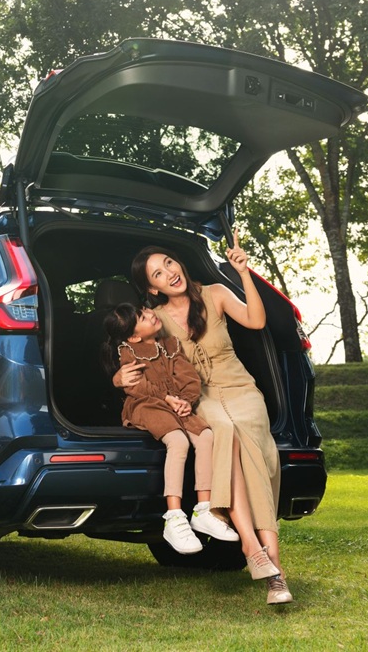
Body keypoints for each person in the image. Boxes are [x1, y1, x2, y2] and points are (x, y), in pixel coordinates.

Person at [114, 234, 294, 605]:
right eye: (158, 274)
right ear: (153, 288)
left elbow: (256, 320)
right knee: (225, 433)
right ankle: (262, 559)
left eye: (169, 263)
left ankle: (266, 560)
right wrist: (119, 378)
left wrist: (243, 273)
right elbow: (132, 351)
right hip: (198, 396)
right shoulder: (157, 320)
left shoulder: (215, 294)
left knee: (255, 458)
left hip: (240, 388)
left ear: (179, 263)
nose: (169, 273)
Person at [101, 303, 242, 555]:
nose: (150, 314)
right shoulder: (128, 351)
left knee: (206, 436)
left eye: (146, 310)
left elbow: (190, 378)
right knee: (178, 441)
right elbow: (136, 387)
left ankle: (203, 509)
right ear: (134, 337)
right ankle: (174, 516)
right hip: (146, 405)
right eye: (143, 317)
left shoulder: (171, 345)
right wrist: (168, 399)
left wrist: (186, 400)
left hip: (177, 405)